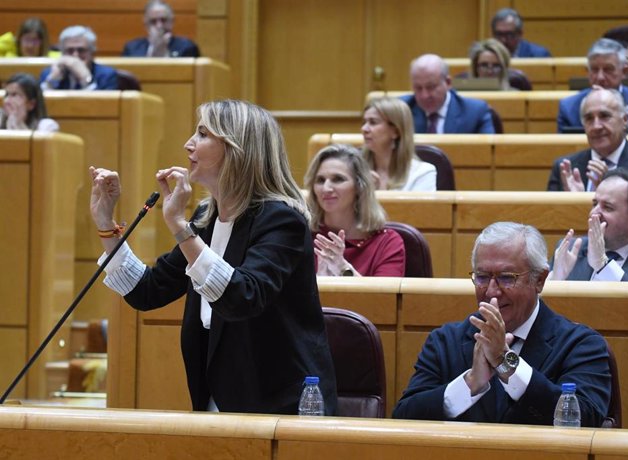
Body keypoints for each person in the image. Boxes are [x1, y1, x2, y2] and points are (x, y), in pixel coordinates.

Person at [89, 99, 337, 414]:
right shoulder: (208, 217)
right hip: (220, 399)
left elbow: (242, 297)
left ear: (237, 149)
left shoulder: (280, 220)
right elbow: (147, 291)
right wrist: (105, 223)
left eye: (203, 134)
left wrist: (179, 226)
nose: (188, 144)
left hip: (280, 407)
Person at [392, 221, 611, 426]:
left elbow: (585, 419)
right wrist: (470, 383)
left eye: (507, 278)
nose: (491, 291)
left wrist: (506, 364)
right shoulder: (445, 341)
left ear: (540, 280)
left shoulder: (581, 344)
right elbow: (404, 418)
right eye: (482, 277)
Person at [304, 144, 406, 277]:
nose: (326, 188)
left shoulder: (388, 243)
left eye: (338, 179)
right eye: (320, 180)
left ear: (359, 186)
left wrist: (343, 268)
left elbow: (383, 297)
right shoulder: (302, 236)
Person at [548, 88, 628, 192]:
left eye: (604, 116)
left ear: (625, 120)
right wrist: (576, 204)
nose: (596, 126)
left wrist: (610, 191)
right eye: (589, 118)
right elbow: (549, 217)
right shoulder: (564, 169)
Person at [557, 38, 628, 134]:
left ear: (624, 72)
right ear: (587, 72)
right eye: (594, 69)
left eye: (608, 69)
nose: (600, 77)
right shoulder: (568, 107)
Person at [401, 54, 495, 134]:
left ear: (448, 82)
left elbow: (489, 152)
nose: (424, 95)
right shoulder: (401, 110)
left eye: (431, 87)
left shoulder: (476, 112)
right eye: (418, 88)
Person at [362, 97, 436, 191]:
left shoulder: (422, 173)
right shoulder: (353, 171)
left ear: (396, 131)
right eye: (364, 122)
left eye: (373, 122)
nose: (364, 129)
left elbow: (418, 206)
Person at [39, 25, 118, 91]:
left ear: (92, 52)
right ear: (62, 53)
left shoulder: (106, 75)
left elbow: (104, 106)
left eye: (81, 50)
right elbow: (41, 105)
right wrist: (52, 81)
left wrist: (86, 79)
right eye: (70, 50)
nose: (75, 55)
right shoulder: (48, 74)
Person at [122, 0, 200, 57]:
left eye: (164, 20)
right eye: (153, 21)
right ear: (146, 25)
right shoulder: (132, 48)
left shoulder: (187, 47)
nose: (159, 26)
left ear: (172, 22)